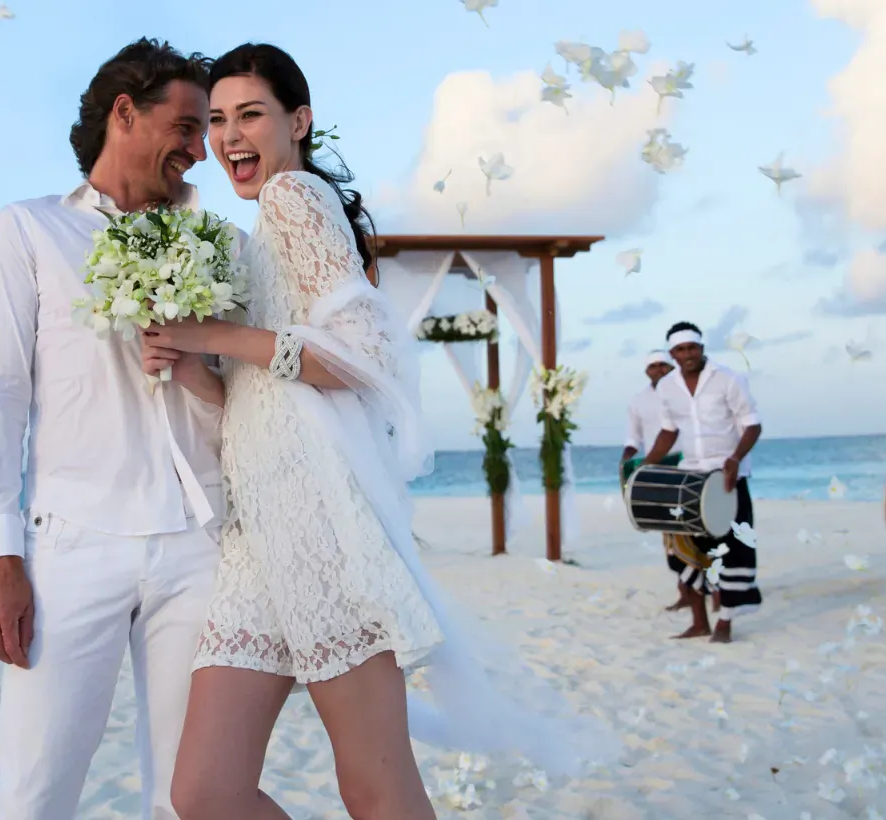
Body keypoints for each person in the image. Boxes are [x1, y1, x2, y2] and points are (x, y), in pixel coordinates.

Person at [138, 42, 611, 820]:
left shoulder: (295, 198)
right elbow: (270, 394)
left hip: (323, 529)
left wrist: (212, 336)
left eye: (250, 114)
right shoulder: (260, 234)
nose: (229, 136)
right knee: (204, 791)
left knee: (375, 787)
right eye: (217, 119)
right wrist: (189, 358)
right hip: (257, 539)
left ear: (299, 120)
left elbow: (366, 356)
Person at [0, 38, 226, 820]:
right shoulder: (28, 232)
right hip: (74, 544)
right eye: (187, 127)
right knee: (34, 792)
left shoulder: (214, 244)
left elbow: (240, 397)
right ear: (125, 113)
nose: (199, 152)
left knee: (189, 796)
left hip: (200, 546)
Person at [640, 322, 764, 643]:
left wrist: (735, 458)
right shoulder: (666, 388)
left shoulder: (728, 378)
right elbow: (668, 432)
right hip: (690, 477)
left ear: (702, 348)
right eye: (680, 350)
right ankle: (699, 622)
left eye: (692, 348)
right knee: (683, 552)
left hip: (726, 478)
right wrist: (644, 467)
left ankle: (724, 621)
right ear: (672, 354)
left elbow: (752, 425)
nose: (687, 354)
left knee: (732, 552)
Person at [620, 350, 692, 612]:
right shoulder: (638, 400)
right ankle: (684, 591)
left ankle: (714, 589)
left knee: (695, 526)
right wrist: (628, 455)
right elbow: (634, 436)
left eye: (664, 365)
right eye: (654, 366)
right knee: (669, 531)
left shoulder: (685, 392)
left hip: (689, 464)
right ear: (647, 371)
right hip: (658, 466)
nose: (660, 369)